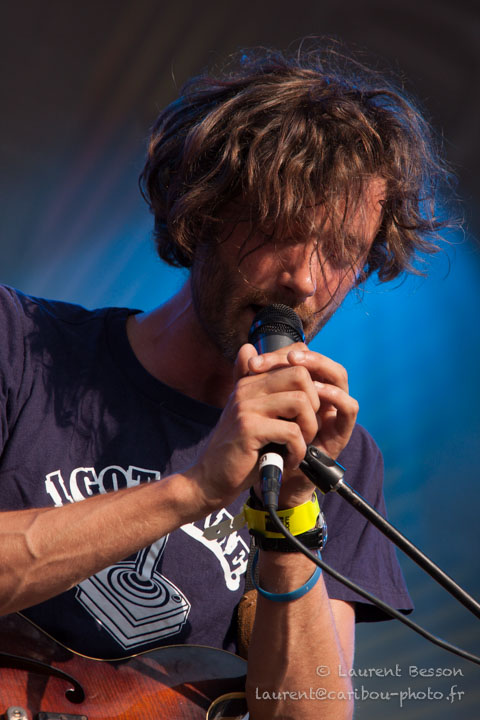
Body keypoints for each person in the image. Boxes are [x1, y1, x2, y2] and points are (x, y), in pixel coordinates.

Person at [0, 43, 450, 719]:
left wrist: (293, 517)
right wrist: (196, 488)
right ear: (203, 211)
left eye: (340, 251)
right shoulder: (20, 344)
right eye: (282, 231)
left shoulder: (338, 457)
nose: (304, 280)